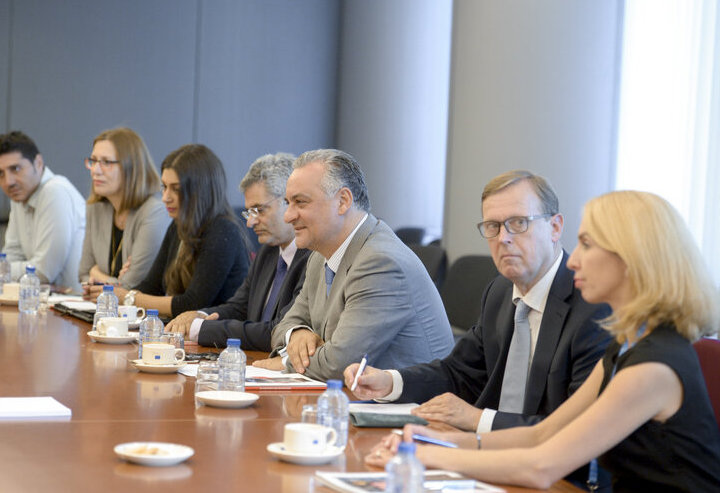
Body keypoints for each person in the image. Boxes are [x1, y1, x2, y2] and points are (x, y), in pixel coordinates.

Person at [367, 190, 720, 492]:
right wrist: (439, 441)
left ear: (632, 259)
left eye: (587, 244)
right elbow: (545, 434)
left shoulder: (655, 366)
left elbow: (543, 465)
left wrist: (426, 456)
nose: (574, 261)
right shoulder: (628, 345)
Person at [344, 170, 610, 435]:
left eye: (518, 223)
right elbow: (459, 373)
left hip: (553, 466)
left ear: (555, 227)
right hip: (483, 452)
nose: (503, 238)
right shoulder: (500, 291)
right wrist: (389, 382)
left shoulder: (594, 306)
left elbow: (579, 429)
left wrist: (478, 420)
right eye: (493, 226)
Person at [254, 149, 454, 380]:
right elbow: (283, 325)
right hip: (355, 400)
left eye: (300, 202)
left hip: (409, 409)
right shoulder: (319, 256)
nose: (288, 216)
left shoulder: (380, 262)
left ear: (343, 201)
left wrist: (284, 363)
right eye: (288, 203)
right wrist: (297, 333)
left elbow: (339, 364)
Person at [165, 153, 311, 351]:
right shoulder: (267, 252)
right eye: (249, 212)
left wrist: (201, 328)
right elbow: (239, 307)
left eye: (259, 210)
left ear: (289, 201)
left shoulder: (313, 258)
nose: (250, 222)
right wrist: (200, 315)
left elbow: (278, 331)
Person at [85, 144, 249, 318]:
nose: (165, 198)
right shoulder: (178, 225)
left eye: (176, 189)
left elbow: (191, 304)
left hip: (218, 340)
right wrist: (115, 296)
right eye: (164, 187)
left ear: (200, 191)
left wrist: (128, 297)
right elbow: (152, 286)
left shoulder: (223, 231)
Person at [0, 131, 85, 291]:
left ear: (38, 163)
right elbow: (12, 255)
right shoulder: (20, 196)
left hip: (74, 305)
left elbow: (42, 272)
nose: (9, 181)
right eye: (0, 173)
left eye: (16, 169)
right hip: (45, 302)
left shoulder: (55, 191)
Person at [79, 127, 168, 290]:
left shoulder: (154, 212)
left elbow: (131, 286)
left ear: (131, 167)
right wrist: (108, 280)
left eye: (106, 162)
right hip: (102, 311)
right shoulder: (96, 208)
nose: (95, 170)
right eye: (93, 161)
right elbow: (84, 274)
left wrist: (96, 273)